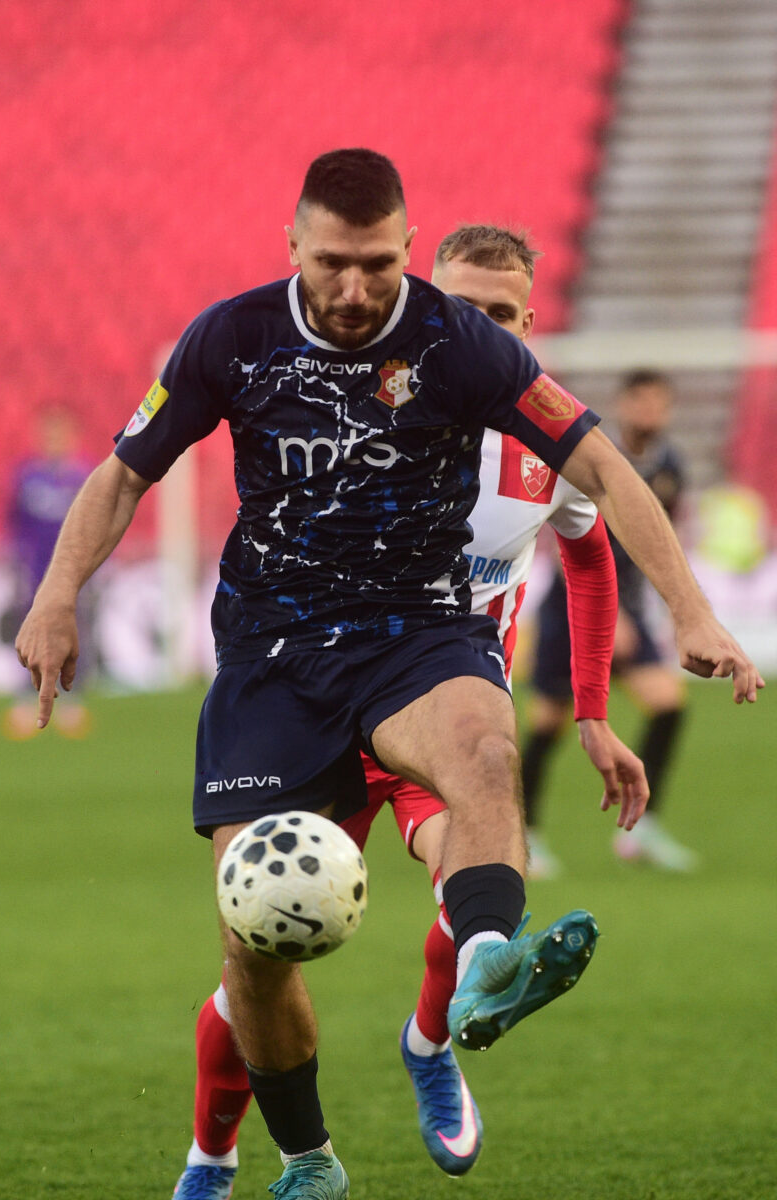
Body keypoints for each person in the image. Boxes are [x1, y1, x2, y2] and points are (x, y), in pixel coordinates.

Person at [15, 150, 762, 1200]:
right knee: (252, 942)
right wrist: (55, 595)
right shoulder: (231, 337)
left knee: (482, 750)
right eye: (332, 264)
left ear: (406, 251)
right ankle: (302, 1158)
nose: (357, 289)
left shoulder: (460, 345)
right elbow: (125, 472)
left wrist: (687, 613)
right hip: (274, 657)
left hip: (416, 634)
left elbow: (601, 469)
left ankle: (482, 963)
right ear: (293, 247)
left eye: (376, 264)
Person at [171, 223, 648, 1195]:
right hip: (319, 695)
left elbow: (590, 557)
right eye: (460, 306)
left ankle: (432, 1043)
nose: (475, 326)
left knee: (464, 871)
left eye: (500, 314)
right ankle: (213, 1154)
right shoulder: (373, 410)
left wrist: (592, 711)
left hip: (442, 705)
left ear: (526, 323)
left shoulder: (541, 440)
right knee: (254, 933)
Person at [522, 369, 697, 875]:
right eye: (640, 402)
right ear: (624, 406)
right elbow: (579, 539)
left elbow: (655, 540)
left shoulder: (669, 466)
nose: (649, 413)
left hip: (629, 613)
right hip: (574, 607)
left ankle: (642, 830)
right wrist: (612, 611)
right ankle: (525, 835)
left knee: (667, 704)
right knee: (549, 725)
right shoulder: (597, 458)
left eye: (658, 404)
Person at [1, 407, 93, 740]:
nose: (54, 442)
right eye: (49, 435)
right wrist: (15, 562)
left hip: (70, 572)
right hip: (34, 571)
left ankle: (71, 698)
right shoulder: (26, 476)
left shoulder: (83, 478)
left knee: (74, 631)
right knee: (28, 632)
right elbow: (14, 525)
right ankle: (26, 697)